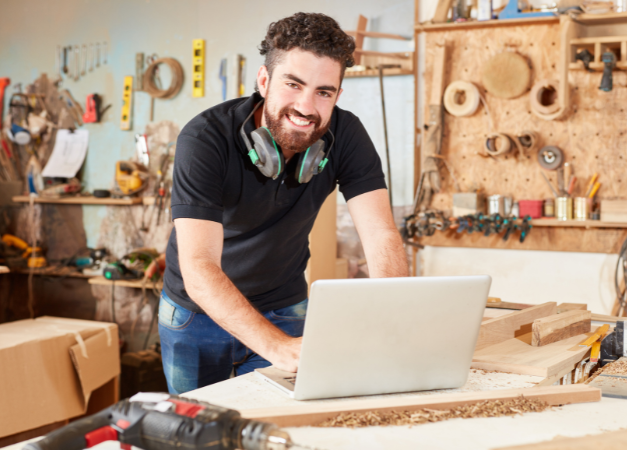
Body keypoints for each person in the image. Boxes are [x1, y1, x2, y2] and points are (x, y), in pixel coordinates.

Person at [158, 12, 408, 394]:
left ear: (338, 95)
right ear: (264, 80)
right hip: (197, 313)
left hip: (284, 306)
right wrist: (277, 348)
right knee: (197, 430)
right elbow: (198, 267)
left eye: (324, 92)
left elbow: (379, 234)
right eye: (293, 84)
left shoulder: (348, 134)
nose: (307, 107)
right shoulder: (205, 139)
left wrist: (391, 319)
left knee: (280, 425)